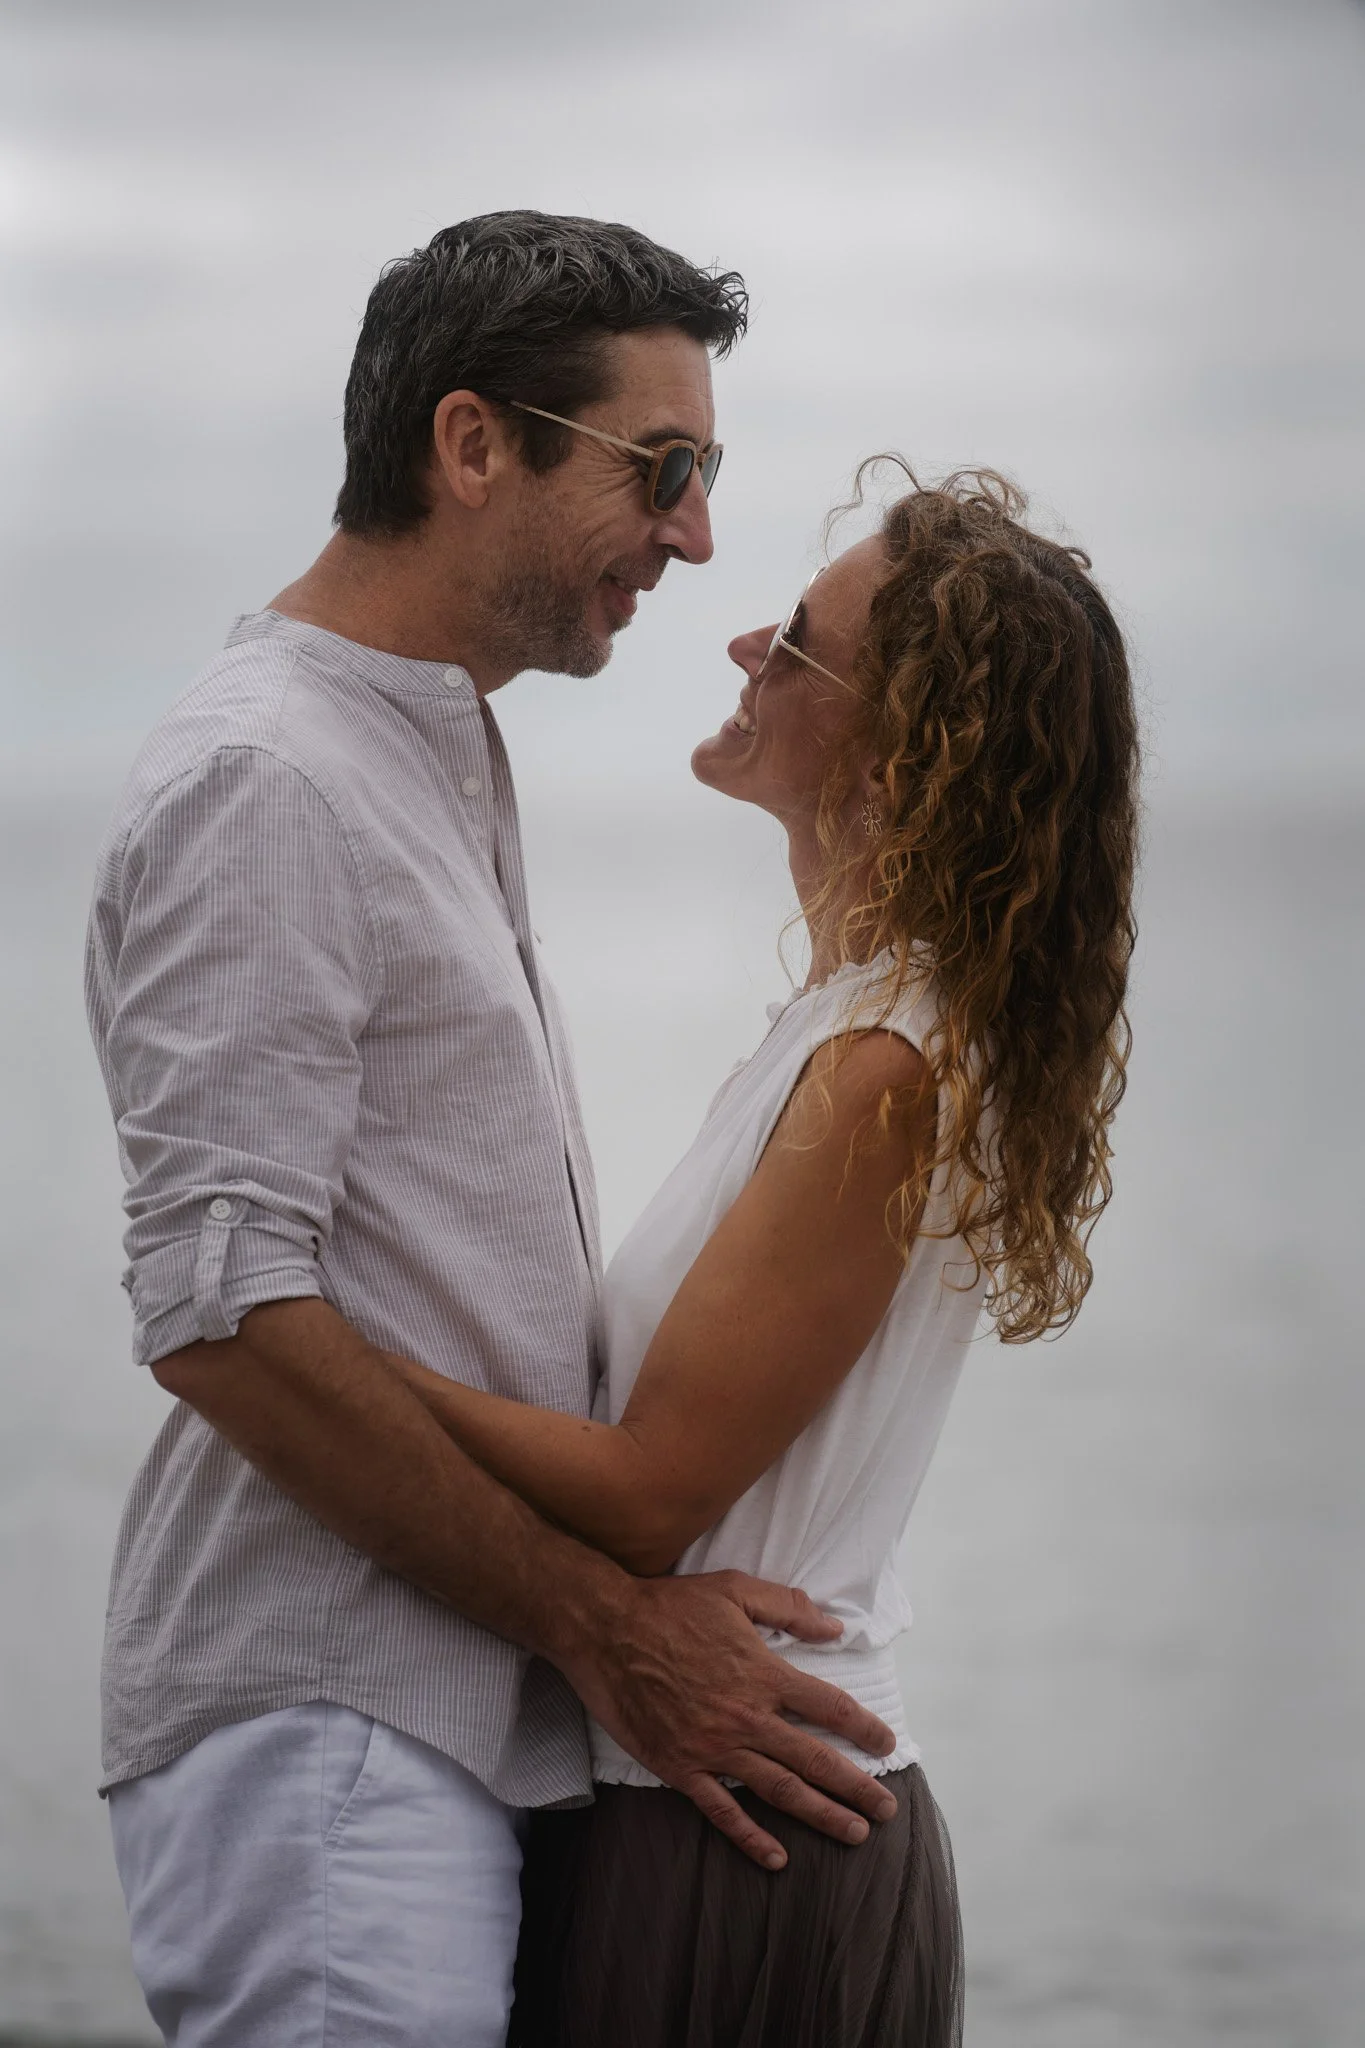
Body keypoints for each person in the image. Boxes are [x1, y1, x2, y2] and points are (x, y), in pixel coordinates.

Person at [84, 212, 902, 2048]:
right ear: (473, 446)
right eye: (664, 468)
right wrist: (601, 1630)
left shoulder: (415, 749)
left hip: (436, 1727)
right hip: (329, 1726)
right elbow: (218, 1312)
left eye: (709, 478)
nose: (696, 535)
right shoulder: (269, 776)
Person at [386, 466, 1142, 2047]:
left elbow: (652, 1490)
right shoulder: (847, 1027)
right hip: (719, 1794)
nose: (742, 647)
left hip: (746, 1830)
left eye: (795, 642)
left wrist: (325, 1358)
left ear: (901, 745)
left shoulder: (887, 1066)